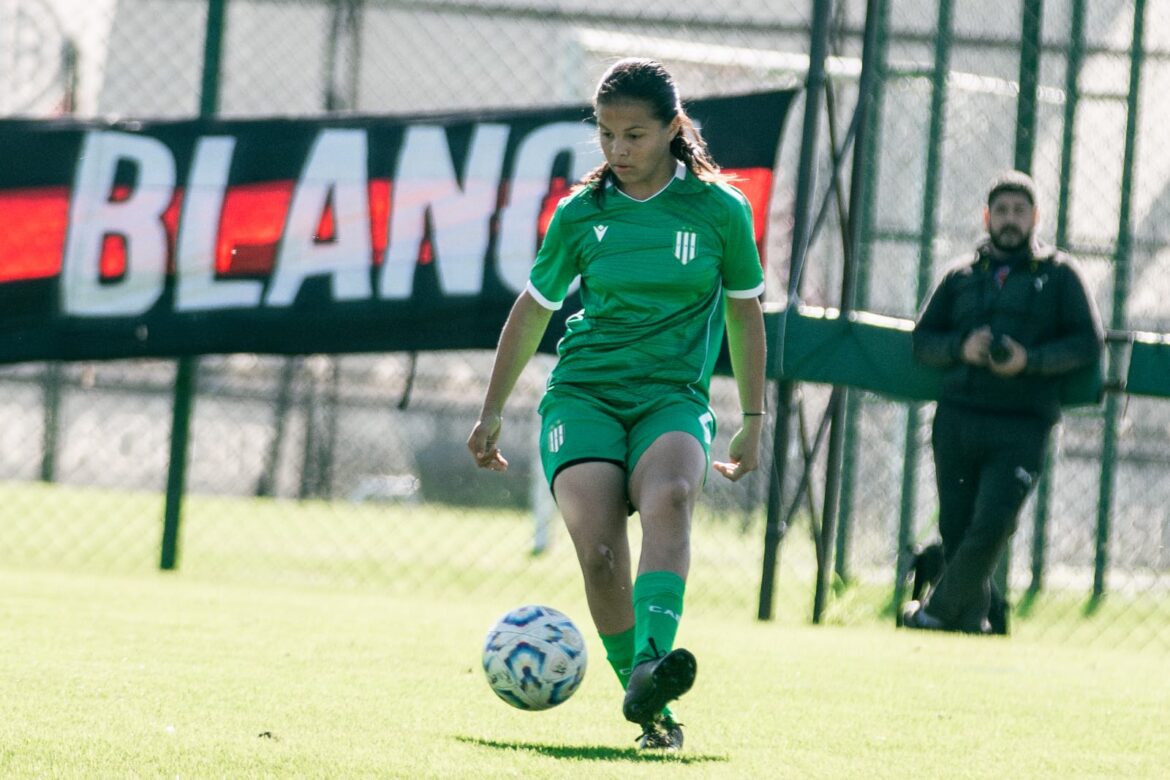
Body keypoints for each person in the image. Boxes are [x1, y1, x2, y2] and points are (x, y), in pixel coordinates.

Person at [466, 57, 767, 750]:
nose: (618, 150)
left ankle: (655, 661)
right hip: (584, 397)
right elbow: (534, 311)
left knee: (670, 497)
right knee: (601, 554)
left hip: (671, 398)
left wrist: (753, 418)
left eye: (634, 134)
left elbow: (745, 315)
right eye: (605, 134)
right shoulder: (580, 215)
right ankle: (645, 693)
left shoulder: (721, 210)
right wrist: (490, 410)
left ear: (672, 129)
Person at [903, 170, 1103, 634]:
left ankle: (932, 613)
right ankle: (973, 621)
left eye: (1019, 211)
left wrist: (1028, 360)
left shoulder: (1059, 275)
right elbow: (922, 340)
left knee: (991, 526)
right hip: (957, 419)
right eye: (1002, 211)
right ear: (986, 216)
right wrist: (961, 347)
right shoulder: (960, 276)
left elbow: (1088, 344)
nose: (1010, 221)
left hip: (1022, 425)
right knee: (956, 528)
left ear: (1035, 217)